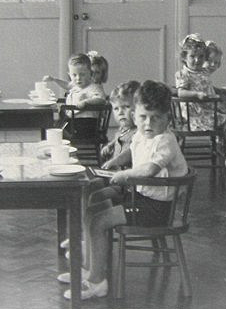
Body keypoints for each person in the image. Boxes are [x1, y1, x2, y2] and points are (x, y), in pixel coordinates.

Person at [60, 80, 188, 300]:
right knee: (94, 206)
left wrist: (124, 175)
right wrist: (115, 161)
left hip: (156, 210)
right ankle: (91, 268)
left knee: (100, 221)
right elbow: (132, 151)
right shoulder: (142, 134)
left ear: (168, 118)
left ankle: (97, 282)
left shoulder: (164, 141)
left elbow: (149, 168)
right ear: (135, 115)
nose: (148, 123)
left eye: (155, 117)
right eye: (142, 117)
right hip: (140, 197)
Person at [46, 53, 107, 138]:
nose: (78, 78)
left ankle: (61, 138)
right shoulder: (76, 85)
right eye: (74, 75)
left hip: (87, 124)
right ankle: (58, 135)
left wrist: (86, 102)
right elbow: (67, 85)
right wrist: (54, 80)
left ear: (90, 73)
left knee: (56, 129)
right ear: (69, 74)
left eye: (82, 74)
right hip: (73, 121)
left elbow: (101, 99)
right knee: (51, 123)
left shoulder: (93, 87)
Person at [175, 33, 218, 130]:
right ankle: (222, 140)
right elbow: (181, 92)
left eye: (201, 56)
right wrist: (196, 94)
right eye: (192, 56)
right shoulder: (184, 74)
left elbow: (207, 87)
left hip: (207, 108)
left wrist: (222, 91)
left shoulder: (204, 72)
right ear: (184, 57)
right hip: (194, 113)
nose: (197, 60)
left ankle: (222, 141)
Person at [99, 80, 140, 164]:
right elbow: (118, 138)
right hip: (116, 170)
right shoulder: (123, 129)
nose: (120, 112)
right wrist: (110, 145)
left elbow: (131, 151)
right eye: (116, 109)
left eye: (126, 107)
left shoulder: (138, 132)